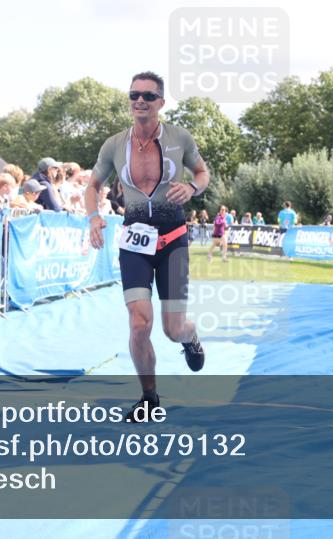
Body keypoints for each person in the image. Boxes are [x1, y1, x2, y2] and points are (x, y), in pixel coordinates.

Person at [84, 70, 210, 422]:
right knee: (140, 323)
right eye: (134, 95)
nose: (140, 100)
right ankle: (149, 398)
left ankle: (190, 337)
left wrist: (193, 188)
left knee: (172, 329)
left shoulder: (180, 137)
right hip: (135, 242)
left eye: (148, 96)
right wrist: (93, 217)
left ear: (161, 102)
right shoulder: (114, 144)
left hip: (173, 241)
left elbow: (202, 173)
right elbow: (92, 185)